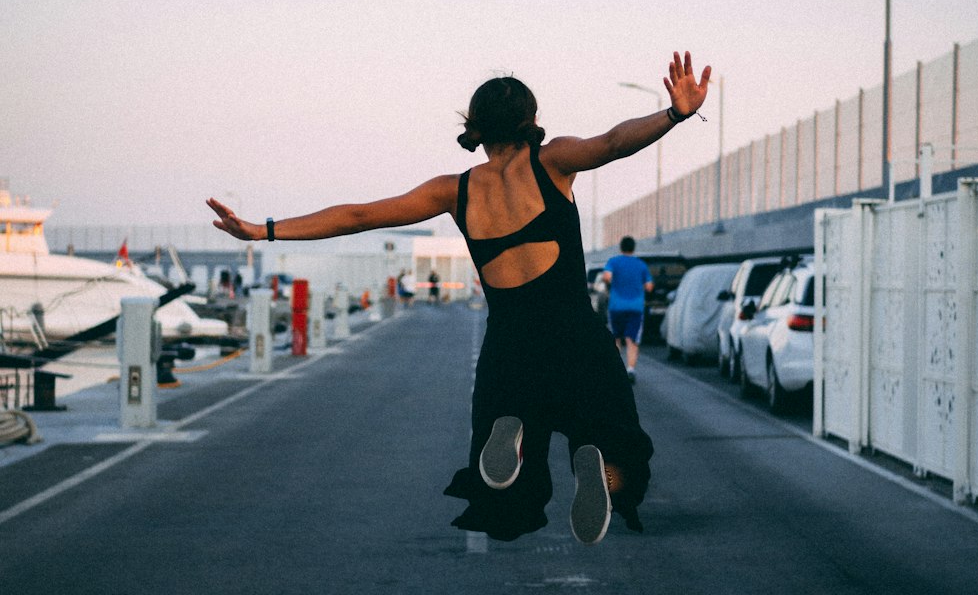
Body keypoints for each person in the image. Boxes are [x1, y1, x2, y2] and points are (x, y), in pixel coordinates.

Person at [207, 50, 711, 545]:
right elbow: (615, 142)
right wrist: (673, 114)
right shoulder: (554, 161)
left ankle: (511, 432)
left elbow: (359, 215)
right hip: (574, 336)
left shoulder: (454, 190)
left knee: (508, 502)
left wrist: (263, 230)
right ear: (531, 120)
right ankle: (599, 469)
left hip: (508, 350)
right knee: (622, 448)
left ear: (476, 127)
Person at [603, 236, 653, 383]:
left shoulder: (613, 261)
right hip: (635, 308)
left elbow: (607, 277)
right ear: (633, 247)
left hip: (616, 307)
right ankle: (630, 369)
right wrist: (639, 286)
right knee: (632, 339)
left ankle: (617, 370)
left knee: (616, 338)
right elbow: (649, 286)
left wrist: (615, 282)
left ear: (621, 247)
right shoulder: (641, 265)